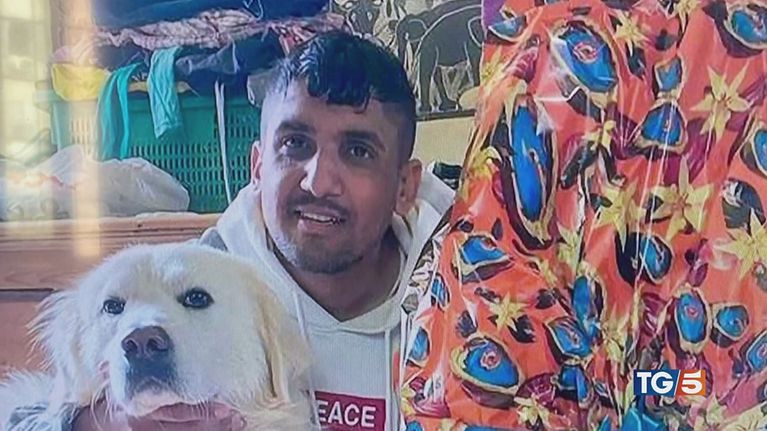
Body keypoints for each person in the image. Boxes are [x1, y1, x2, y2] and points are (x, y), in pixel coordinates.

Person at [5, 31, 453, 431]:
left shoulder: (470, 296)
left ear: (405, 187)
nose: (318, 182)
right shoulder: (199, 282)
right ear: (257, 167)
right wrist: (100, 424)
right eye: (295, 144)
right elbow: (27, 417)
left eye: (357, 151)